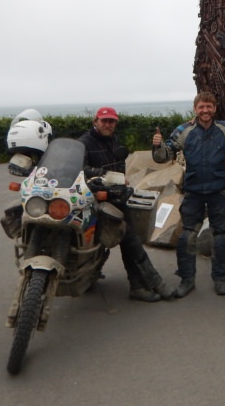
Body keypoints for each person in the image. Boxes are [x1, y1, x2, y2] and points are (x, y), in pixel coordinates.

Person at [78, 106, 173, 303]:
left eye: (111, 121)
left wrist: (120, 180)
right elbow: (80, 168)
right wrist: (104, 175)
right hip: (93, 198)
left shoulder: (114, 141)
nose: (108, 124)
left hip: (115, 197)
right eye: (104, 121)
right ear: (95, 121)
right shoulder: (84, 143)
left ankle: (140, 286)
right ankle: (152, 282)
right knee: (128, 239)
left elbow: (119, 167)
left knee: (129, 238)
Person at [152, 92, 225, 298]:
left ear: (215, 108)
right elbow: (163, 156)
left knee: (220, 237)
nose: (205, 110)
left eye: (209, 106)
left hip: (218, 190)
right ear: (195, 109)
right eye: (201, 107)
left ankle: (220, 279)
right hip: (193, 191)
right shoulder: (184, 130)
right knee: (186, 237)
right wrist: (157, 145)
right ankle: (187, 279)